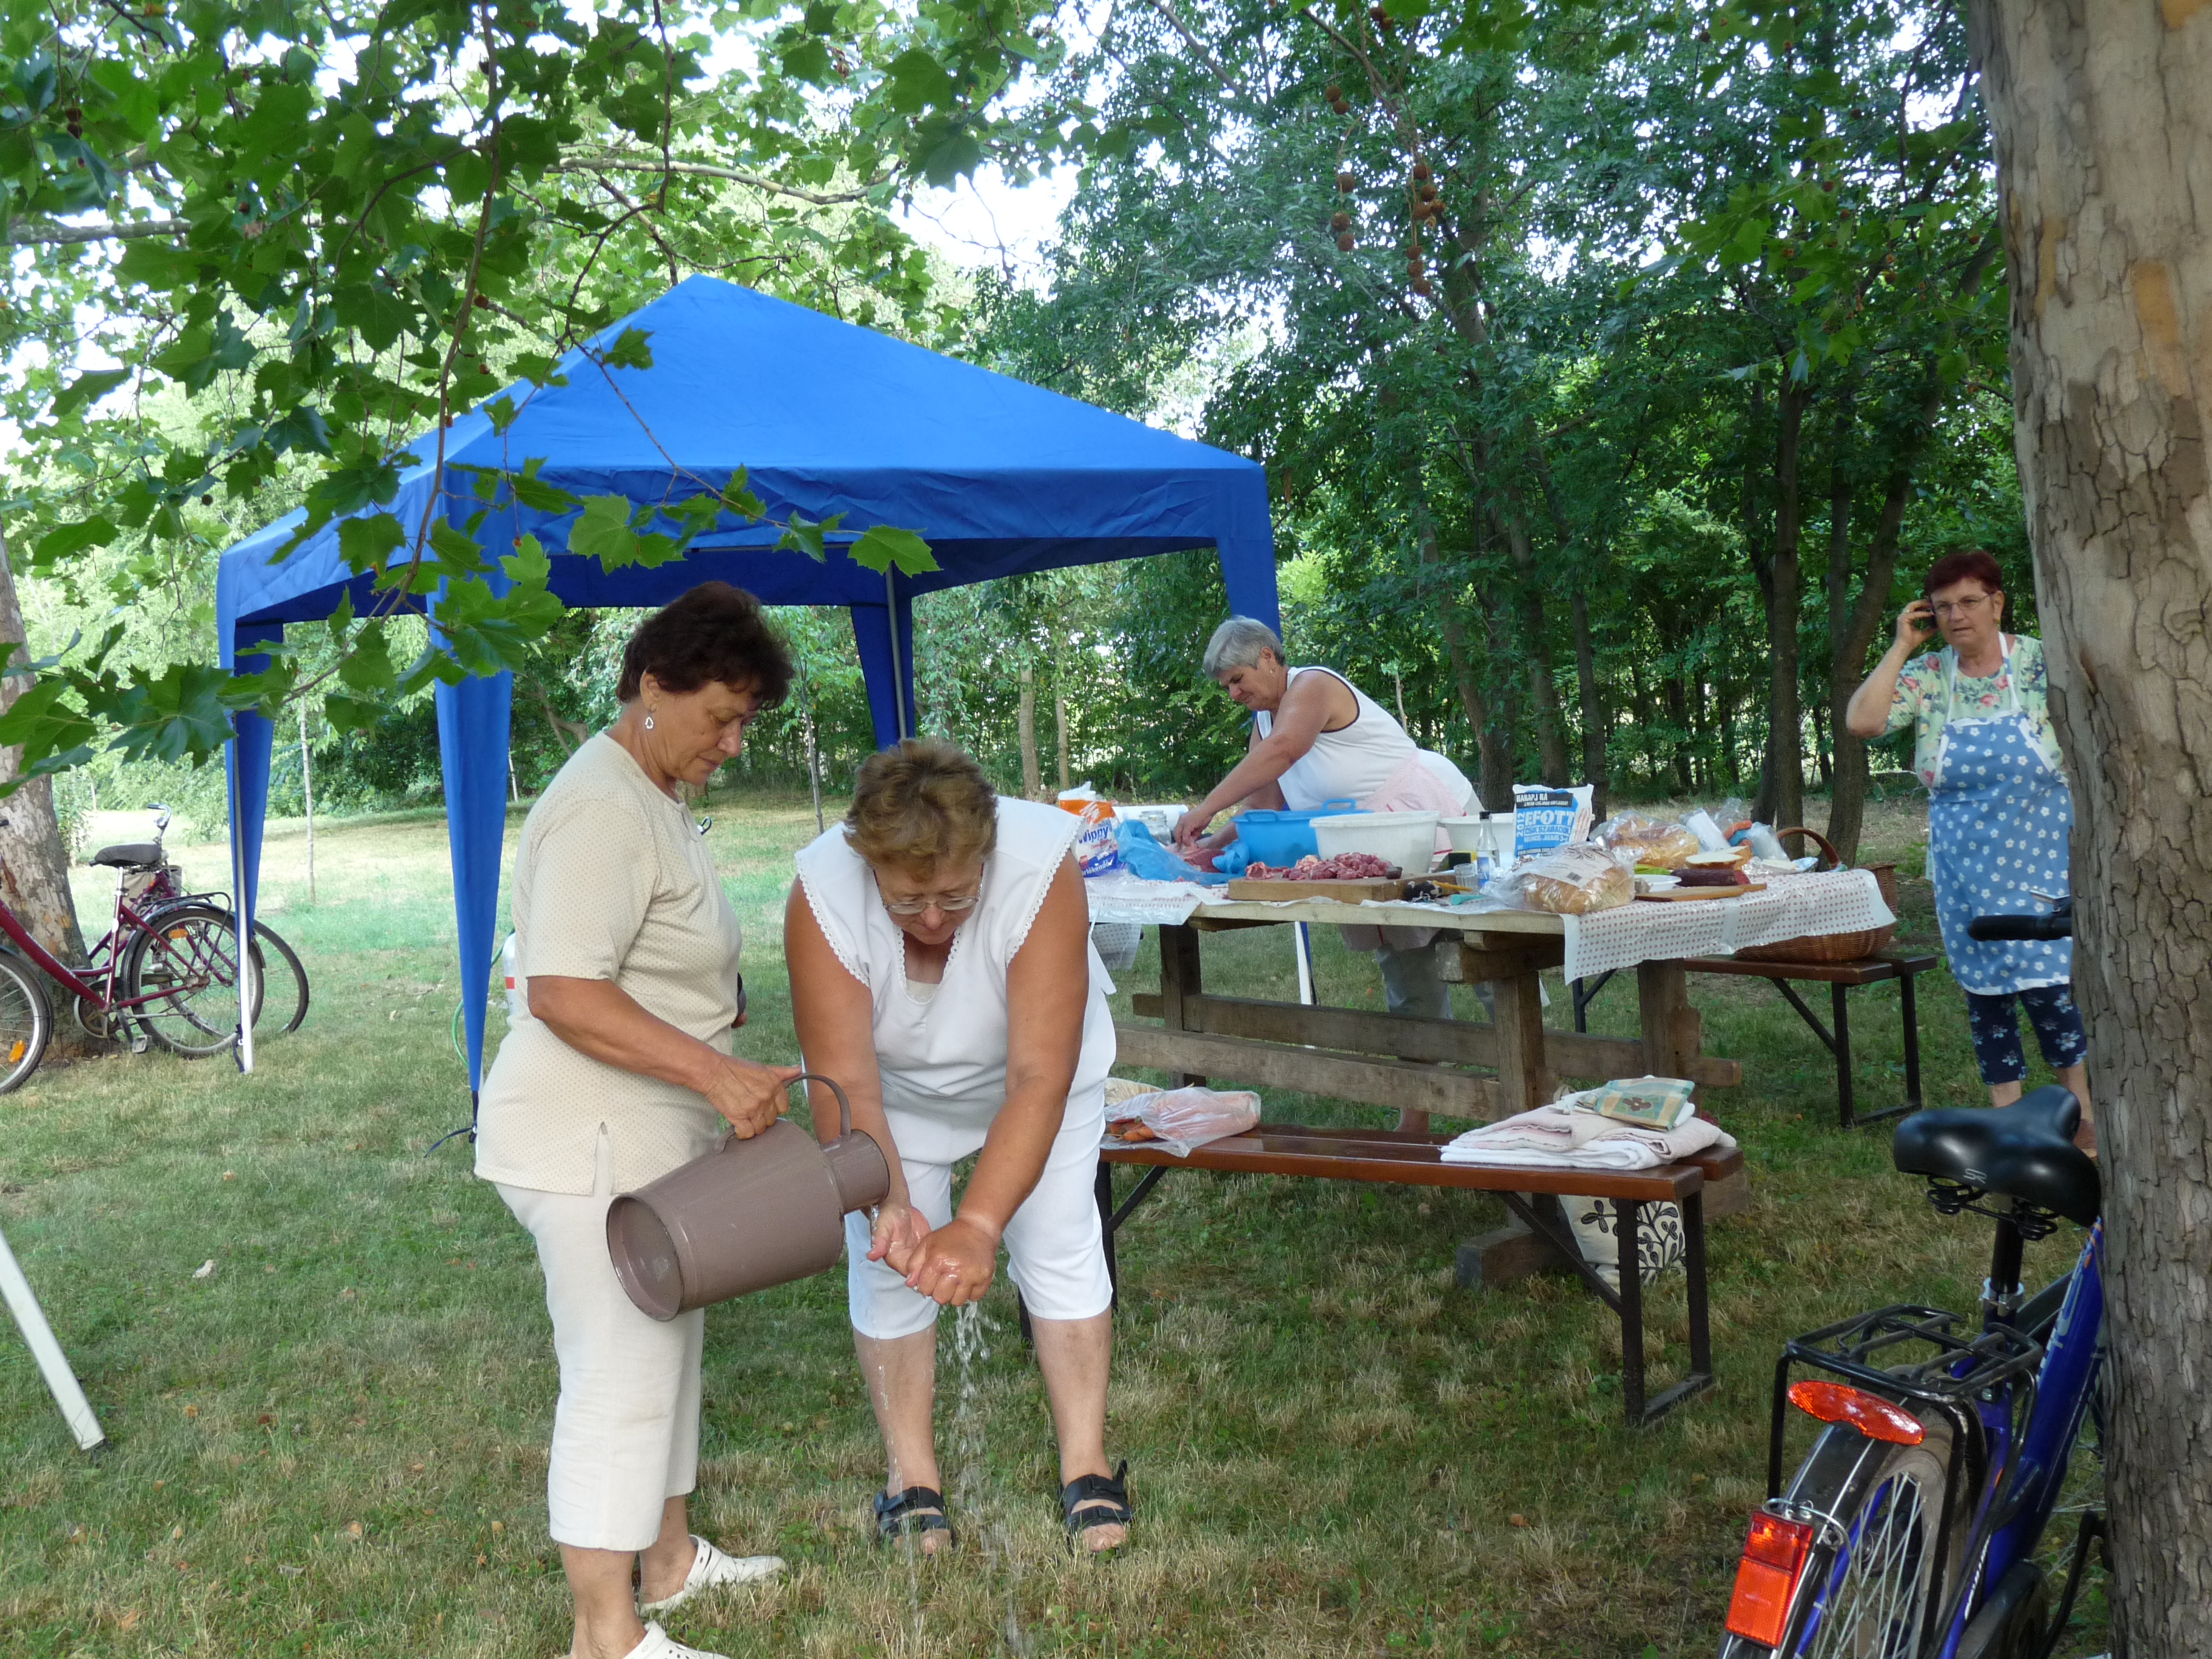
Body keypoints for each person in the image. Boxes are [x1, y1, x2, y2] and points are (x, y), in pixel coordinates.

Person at [476, 583, 805, 1659]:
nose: (734, 742)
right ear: (654, 685)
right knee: (618, 1380)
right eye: (723, 716)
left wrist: (715, 1022)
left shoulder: (650, 789)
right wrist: (716, 1072)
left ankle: (667, 1564)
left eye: (746, 721)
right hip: (588, 1139)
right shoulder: (603, 806)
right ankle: (604, 1636)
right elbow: (564, 991)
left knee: (666, 1354)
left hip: (645, 1137)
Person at [785, 738, 1132, 1555]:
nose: (934, 920)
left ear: (987, 854)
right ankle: (913, 1481)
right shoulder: (822, 894)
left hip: (1040, 1084)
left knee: (1059, 1243)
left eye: (955, 895)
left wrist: (977, 1225)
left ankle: (1087, 1467)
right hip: (893, 1098)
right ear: (868, 863)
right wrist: (889, 1204)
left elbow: (1038, 1078)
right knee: (888, 1264)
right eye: (908, 901)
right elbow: (847, 1086)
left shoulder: (1042, 868)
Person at [1846, 549, 2094, 1150]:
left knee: (2050, 990)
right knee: (1986, 996)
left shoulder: (2037, 660)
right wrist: (1900, 648)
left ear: (1997, 603)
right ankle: (2009, 1122)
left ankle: (2084, 1118)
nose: (1957, 616)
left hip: (2041, 858)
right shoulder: (1930, 675)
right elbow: (1863, 723)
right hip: (1965, 865)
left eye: (1969, 602)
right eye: (1943, 607)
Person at [1172, 616, 1478, 1017]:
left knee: (1478, 933)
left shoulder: (1313, 684)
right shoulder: (1264, 722)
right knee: (1405, 960)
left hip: (1430, 815)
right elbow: (1261, 807)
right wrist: (1209, 845)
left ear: (1267, 657)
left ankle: (1527, 1047)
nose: (1233, 694)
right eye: (1226, 686)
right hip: (1373, 843)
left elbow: (1285, 749)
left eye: (1237, 679)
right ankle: (1426, 1051)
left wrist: (1206, 807)